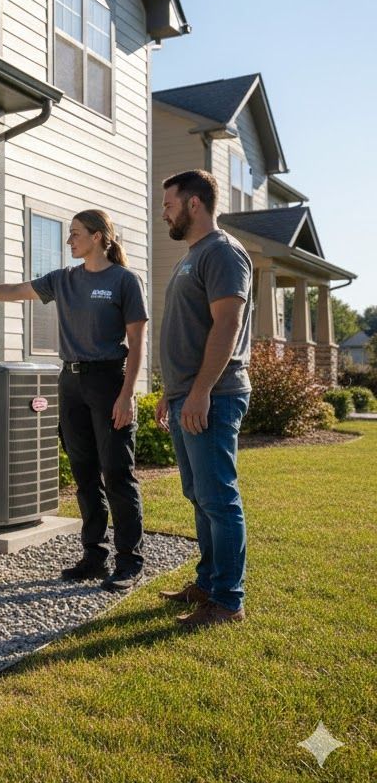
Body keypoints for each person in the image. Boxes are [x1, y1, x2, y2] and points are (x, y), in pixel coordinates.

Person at [0, 209, 148, 592]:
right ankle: (94, 556)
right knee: (85, 475)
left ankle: (130, 561)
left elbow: (137, 345)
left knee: (117, 473)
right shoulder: (63, 280)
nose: (69, 241)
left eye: (76, 234)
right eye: (69, 234)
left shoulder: (124, 281)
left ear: (99, 237)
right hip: (70, 382)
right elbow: (15, 291)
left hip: (108, 381)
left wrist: (127, 394)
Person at [155, 169, 252, 629]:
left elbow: (226, 326)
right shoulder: (193, 256)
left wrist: (199, 392)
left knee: (218, 496)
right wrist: (172, 395)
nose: (164, 212)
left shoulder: (222, 252)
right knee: (199, 495)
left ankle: (228, 601)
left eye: (169, 203)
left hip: (213, 395)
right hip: (186, 396)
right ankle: (210, 583)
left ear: (194, 204)